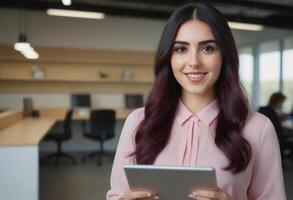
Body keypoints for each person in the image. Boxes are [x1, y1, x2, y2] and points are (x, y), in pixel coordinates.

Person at [107, 3, 286, 200]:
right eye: (181, 49)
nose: (194, 62)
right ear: (168, 57)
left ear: (224, 56)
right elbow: (116, 195)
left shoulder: (258, 128)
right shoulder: (138, 121)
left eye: (207, 48)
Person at [258, 92, 291, 162]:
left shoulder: (266, 110)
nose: (282, 104)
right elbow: (277, 128)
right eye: (282, 102)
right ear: (277, 101)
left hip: (269, 138)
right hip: (275, 139)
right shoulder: (271, 112)